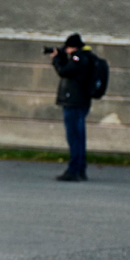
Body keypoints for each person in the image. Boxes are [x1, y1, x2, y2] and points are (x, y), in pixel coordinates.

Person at [50, 33, 93, 182]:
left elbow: (64, 71)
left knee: (74, 137)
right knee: (79, 137)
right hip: (80, 102)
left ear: (72, 47)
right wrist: (62, 57)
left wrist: (56, 59)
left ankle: (74, 170)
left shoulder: (78, 58)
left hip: (74, 102)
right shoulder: (84, 57)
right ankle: (80, 169)